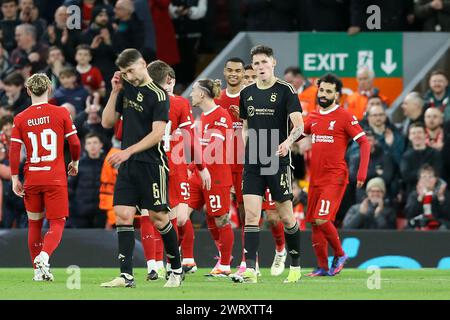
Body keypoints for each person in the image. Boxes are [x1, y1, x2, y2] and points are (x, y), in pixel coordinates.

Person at [100, 49, 184, 288]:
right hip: (128, 166)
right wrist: (115, 91)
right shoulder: (125, 89)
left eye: (131, 70)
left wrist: (127, 151)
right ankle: (126, 276)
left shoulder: (159, 95)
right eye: (125, 72)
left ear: (143, 64)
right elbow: (107, 122)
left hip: (152, 164)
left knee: (159, 218)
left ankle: (176, 269)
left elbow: (158, 133)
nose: (129, 75)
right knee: (123, 215)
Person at [232, 45, 304, 284]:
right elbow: (245, 125)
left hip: (277, 159)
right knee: (251, 215)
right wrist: (245, 148)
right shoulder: (247, 92)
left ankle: (295, 265)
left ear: (273, 63)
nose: (260, 67)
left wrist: (287, 142)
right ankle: (251, 269)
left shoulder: (286, 90)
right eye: (256, 64)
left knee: (285, 216)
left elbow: (299, 125)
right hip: (253, 160)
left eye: (264, 62)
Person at [9, 73, 81, 281]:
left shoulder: (20, 118)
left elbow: (14, 151)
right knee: (57, 223)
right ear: (49, 90)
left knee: (34, 224)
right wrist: (74, 162)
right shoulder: (61, 113)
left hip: (32, 178)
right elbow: (75, 143)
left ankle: (38, 272)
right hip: (55, 178)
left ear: (28, 91)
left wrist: (15, 178)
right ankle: (44, 256)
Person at [300, 73, 370, 277]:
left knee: (322, 219)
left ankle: (340, 254)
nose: (323, 94)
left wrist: (362, 172)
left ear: (337, 95)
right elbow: (295, 134)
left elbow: (364, 143)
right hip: (315, 179)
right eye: (321, 90)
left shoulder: (345, 116)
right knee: (313, 222)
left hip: (335, 177)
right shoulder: (313, 116)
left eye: (328, 91)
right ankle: (322, 267)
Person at [147, 59, 197, 276]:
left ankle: (161, 264)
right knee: (172, 216)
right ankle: (166, 265)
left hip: (152, 163)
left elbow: (122, 134)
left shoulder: (142, 102)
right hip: (173, 165)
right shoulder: (180, 104)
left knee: (154, 214)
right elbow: (190, 138)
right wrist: (200, 165)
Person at [183, 78, 234, 277]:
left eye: (193, 91)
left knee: (220, 218)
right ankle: (188, 260)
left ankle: (225, 265)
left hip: (216, 176)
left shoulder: (220, 115)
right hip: (199, 173)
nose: (191, 94)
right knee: (180, 214)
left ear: (202, 94)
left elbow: (213, 149)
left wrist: (196, 165)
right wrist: (192, 166)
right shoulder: (203, 117)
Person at [68, 132, 105, 228]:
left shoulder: (107, 164)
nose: (92, 146)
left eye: (95, 142)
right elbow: (70, 187)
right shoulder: (77, 164)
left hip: (100, 212)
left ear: (101, 145)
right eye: (89, 143)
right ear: (85, 146)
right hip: (80, 213)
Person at [400, 122, 443, 195]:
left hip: (434, 192)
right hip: (413, 194)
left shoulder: (435, 153)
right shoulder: (405, 156)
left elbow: (437, 172)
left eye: (419, 132)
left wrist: (417, 174)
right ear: (409, 136)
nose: (416, 135)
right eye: (413, 133)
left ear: (425, 135)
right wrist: (428, 175)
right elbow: (406, 176)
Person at [405, 164, 450, 230]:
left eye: (430, 176)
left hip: (438, 225)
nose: (427, 180)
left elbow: (447, 216)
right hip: (419, 224)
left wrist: (441, 198)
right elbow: (409, 215)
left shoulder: (444, 193)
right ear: (419, 180)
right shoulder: (414, 195)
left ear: (436, 179)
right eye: (424, 177)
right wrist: (420, 198)